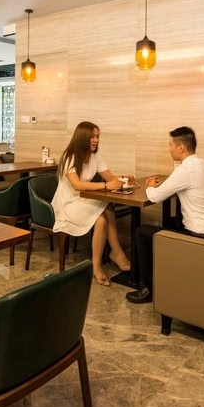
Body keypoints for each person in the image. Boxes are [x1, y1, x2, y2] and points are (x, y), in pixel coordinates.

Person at [126, 126, 204, 304]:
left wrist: (150, 186)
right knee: (174, 222)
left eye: (170, 145)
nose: (169, 149)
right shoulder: (203, 164)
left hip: (199, 238)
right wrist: (161, 186)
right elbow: (178, 185)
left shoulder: (185, 170)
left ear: (181, 147)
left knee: (142, 233)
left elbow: (155, 197)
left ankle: (149, 289)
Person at [52, 121, 133, 287]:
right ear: (82, 138)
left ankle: (116, 252)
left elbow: (110, 178)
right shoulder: (70, 157)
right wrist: (105, 186)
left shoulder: (94, 156)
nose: (96, 140)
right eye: (92, 137)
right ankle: (96, 267)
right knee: (101, 220)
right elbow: (77, 185)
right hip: (68, 202)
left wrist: (124, 178)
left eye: (97, 136)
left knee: (109, 205)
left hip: (83, 199)